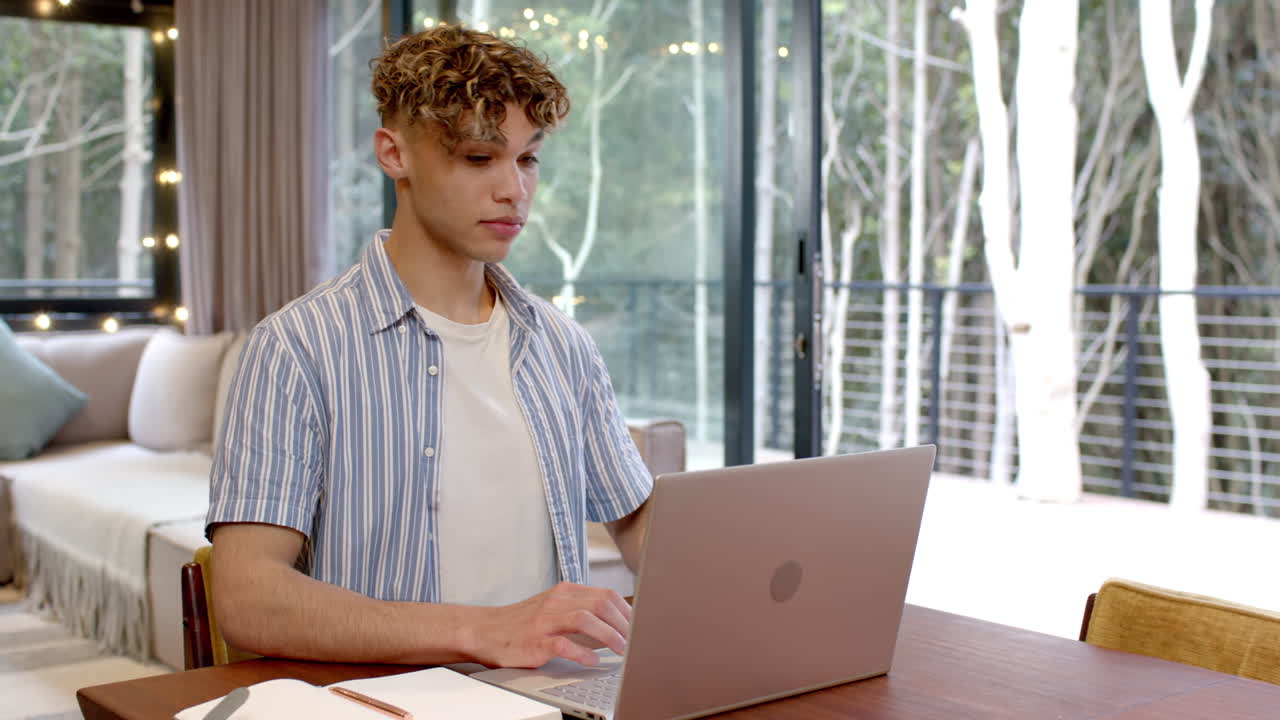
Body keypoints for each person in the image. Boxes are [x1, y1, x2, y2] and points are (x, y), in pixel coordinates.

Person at [206, 24, 653, 669]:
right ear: (394, 154)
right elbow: (248, 598)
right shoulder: (296, 348)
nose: (515, 190)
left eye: (527, 159)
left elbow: (636, 522)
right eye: (479, 158)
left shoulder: (563, 345)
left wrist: (738, 573)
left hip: (555, 696)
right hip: (389, 701)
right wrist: (482, 630)